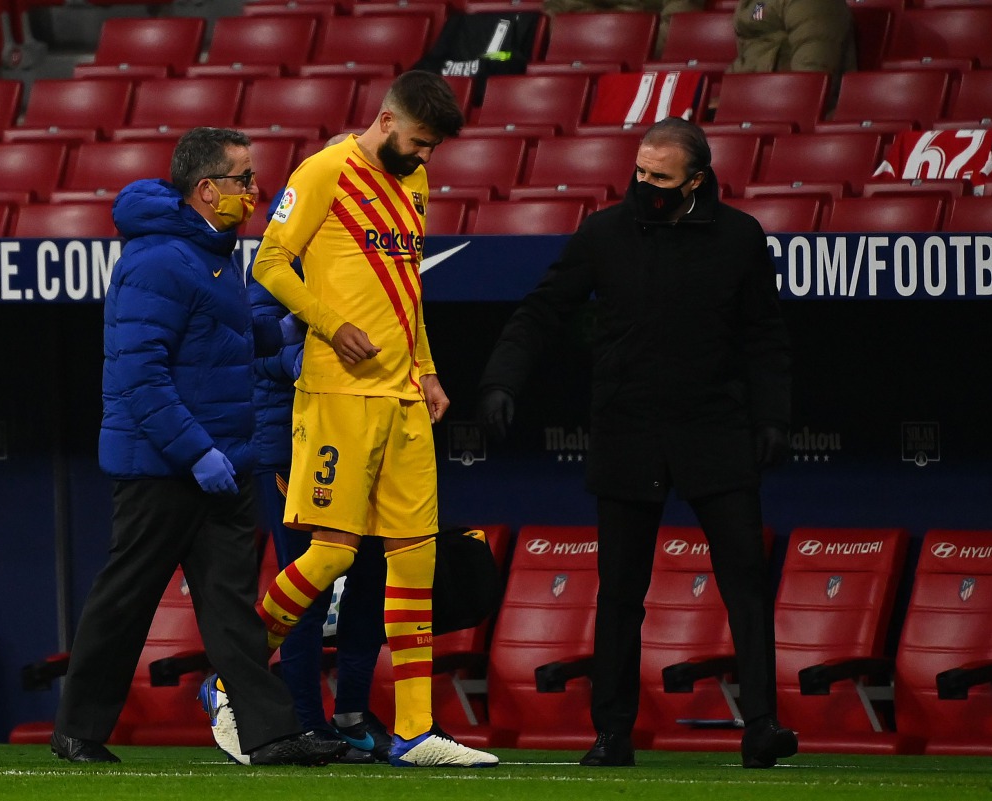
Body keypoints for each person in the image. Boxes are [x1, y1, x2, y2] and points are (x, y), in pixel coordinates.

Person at [476, 117, 796, 770]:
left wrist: (774, 417)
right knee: (620, 591)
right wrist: (502, 378)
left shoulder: (739, 237)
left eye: (659, 177)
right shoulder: (603, 232)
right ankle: (612, 733)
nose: (644, 185)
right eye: (639, 172)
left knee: (745, 584)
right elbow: (542, 310)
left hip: (715, 429)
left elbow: (766, 335)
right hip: (628, 429)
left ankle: (761, 724)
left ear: (695, 181)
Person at [49, 127, 345, 767]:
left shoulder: (212, 255)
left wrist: (285, 329)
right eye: (243, 179)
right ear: (207, 190)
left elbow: (218, 343)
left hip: (223, 464)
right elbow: (139, 375)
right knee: (126, 598)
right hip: (165, 469)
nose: (254, 190)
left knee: (232, 609)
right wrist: (196, 454)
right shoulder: (158, 260)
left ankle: (267, 733)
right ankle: (77, 730)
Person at [247, 70, 498, 768]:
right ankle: (231, 677)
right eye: (419, 143)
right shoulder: (324, 170)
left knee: (413, 557)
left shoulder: (413, 184)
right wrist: (326, 323)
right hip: (337, 394)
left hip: (402, 399)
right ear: (387, 122)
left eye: (434, 149)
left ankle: (415, 730)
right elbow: (269, 262)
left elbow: (405, 287)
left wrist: (426, 366)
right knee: (329, 554)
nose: (426, 159)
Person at [236, 136, 393, 763]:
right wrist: (307, 351)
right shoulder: (278, 258)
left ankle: (352, 711)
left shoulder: (373, 254)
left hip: (369, 436)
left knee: (371, 578)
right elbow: (250, 347)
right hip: (292, 443)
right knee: (307, 582)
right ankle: (299, 720)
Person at [729, 0, 856, 103]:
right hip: (752, 103)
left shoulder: (812, 4)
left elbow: (810, 83)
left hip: (786, 112)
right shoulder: (755, 4)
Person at [541, 0, 707, 58]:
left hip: (651, 58)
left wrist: (628, 39)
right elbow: (559, 13)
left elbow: (678, 24)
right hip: (583, 57)